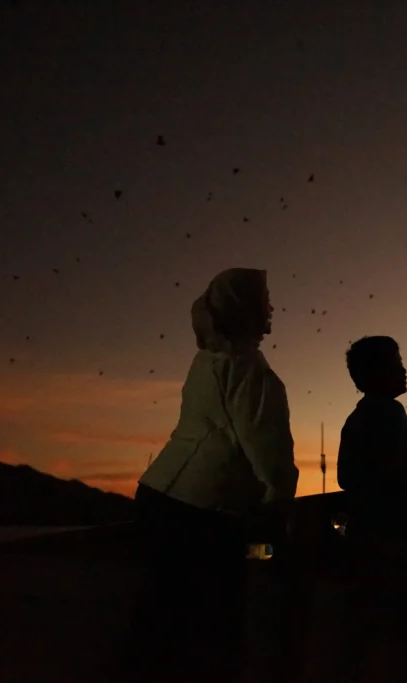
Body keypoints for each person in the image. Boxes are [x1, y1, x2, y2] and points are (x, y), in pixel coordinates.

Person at [122, 267, 298, 683]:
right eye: (265, 299)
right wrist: (279, 504)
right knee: (209, 633)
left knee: (160, 626)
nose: (271, 307)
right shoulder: (249, 369)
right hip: (203, 514)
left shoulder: (208, 358)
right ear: (246, 308)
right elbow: (267, 448)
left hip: (161, 499)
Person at [336, 335, 407, 683]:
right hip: (398, 540)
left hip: (368, 540)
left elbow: (346, 476)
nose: (404, 371)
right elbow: (399, 474)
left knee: (374, 639)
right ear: (378, 373)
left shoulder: (358, 418)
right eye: (397, 364)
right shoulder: (388, 412)